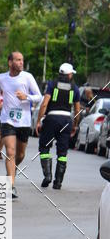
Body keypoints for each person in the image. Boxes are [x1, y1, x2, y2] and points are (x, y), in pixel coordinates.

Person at [0, 51, 42, 200]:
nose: (21, 63)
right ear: (10, 62)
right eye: (18, 60)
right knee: (10, 152)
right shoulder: (1, 78)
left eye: (22, 60)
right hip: (7, 120)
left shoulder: (28, 77)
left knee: (20, 155)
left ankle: (10, 173)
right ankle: (11, 185)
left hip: (24, 121)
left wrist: (27, 97)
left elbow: (39, 96)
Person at [35, 62, 80, 190]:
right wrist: (74, 125)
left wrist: (39, 121)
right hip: (66, 120)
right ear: (69, 74)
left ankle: (47, 176)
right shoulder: (75, 88)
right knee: (62, 152)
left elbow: (44, 104)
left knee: (44, 148)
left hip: (51, 119)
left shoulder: (51, 84)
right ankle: (58, 182)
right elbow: (77, 111)